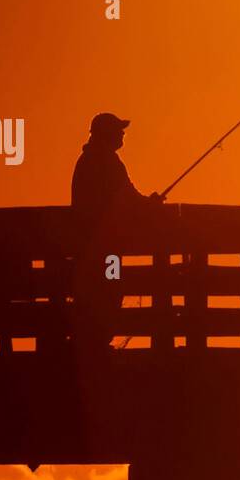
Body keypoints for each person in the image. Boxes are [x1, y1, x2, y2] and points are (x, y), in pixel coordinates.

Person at [70, 114, 162, 350]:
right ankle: (98, 343)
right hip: (105, 247)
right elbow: (128, 197)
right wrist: (150, 205)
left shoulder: (87, 161)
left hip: (86, 246)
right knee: (110, 291)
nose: (123, 134)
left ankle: (90, 343)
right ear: (107, 134)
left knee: (95, 294)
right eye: (119, 130)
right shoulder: (108, 162)